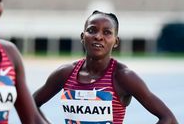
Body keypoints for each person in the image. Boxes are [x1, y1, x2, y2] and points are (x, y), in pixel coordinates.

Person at [33, 10, 178, 124]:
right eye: (92, 30)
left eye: (107, 32)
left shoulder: (123, 77)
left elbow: (169, 119)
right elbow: (31, 104)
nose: (98, 36)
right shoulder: (65, 73)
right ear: (82, 37)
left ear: (116, 41)